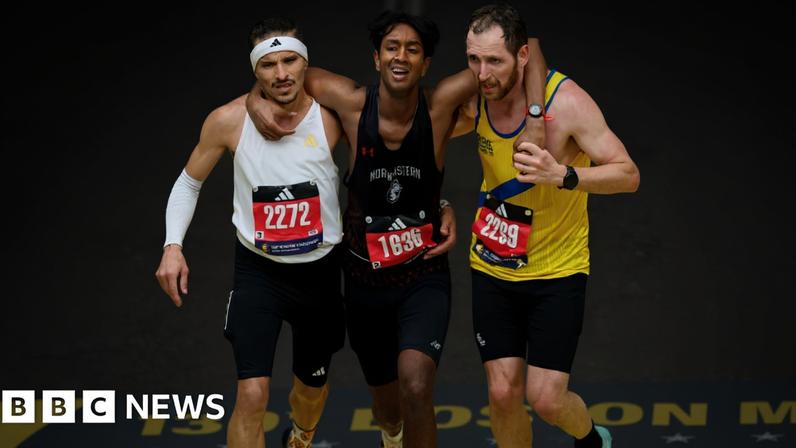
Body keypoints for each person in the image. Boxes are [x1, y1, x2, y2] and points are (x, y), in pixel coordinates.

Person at [247, 10, 548, 447]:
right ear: (376, 58)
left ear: (426, 64)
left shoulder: (440, 104)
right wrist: (257, 98)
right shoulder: (352, 103)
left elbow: (530, 50)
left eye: (412, 49)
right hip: (364, 283)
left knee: (416, 386)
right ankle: (392, 437)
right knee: (389, 412)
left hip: (422, 278)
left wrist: (536, 117)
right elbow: (281, 72)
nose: (400, 57)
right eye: (392, 48)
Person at [154, 18, 346, 448]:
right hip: (260, 274)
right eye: (269, 64)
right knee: (252, 393)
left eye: (290, 61)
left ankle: (301, 436)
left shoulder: (331, 118)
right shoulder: (227, 120)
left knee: (310, 393)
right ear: (255, 71)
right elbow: (188, 183)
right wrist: (172, 247)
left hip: (319, 275)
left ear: (305, 64)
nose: (281, 74)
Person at [456, 4, 641, 448]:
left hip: (557, 272)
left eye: (495, 61)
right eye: (473, 59)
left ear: (521, 58)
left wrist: (563, 175)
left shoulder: (569, 103)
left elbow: (627, 174)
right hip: (493, 267)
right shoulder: (474, 97)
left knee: (545, 399)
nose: (482, 74)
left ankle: (591, 438)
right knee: (501, 394)